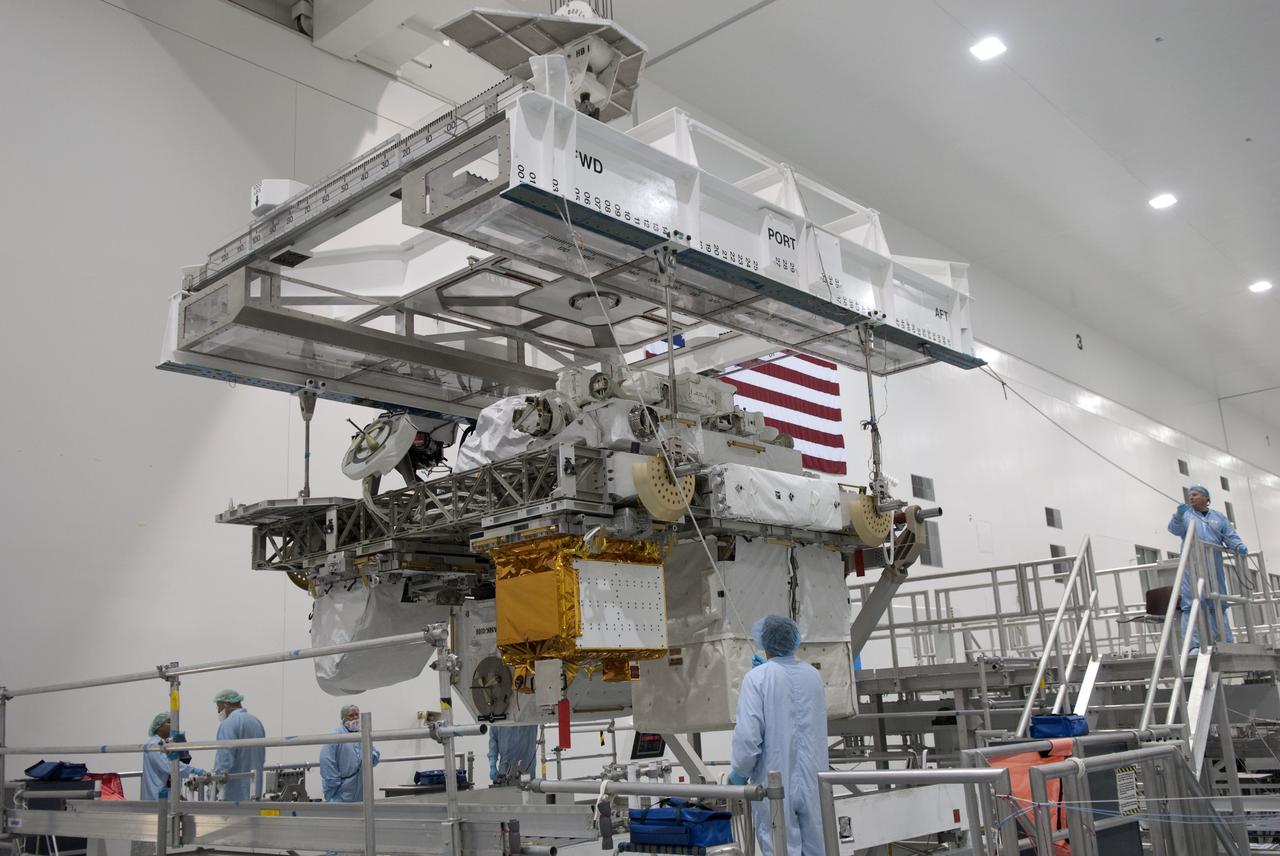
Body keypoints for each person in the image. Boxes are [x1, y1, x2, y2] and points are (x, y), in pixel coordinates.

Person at [729, 615, 828, 856]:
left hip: (775, 780)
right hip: (814, 779)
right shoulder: (812, 675)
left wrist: (739, 774)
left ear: (764, 642)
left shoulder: (757, 678)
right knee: (818, 846)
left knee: (780, 847)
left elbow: (748, 736)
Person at [1168, 484, 1249, 650]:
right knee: (1192, 604)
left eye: (1196, 494)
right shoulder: (1187, 516)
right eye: (1190, 495)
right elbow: (1174, 529)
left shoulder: (1218, 517)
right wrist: (1177, 515)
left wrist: (1238, 546)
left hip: (1214, 566)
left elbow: (1229, 536)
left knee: (1218, 601)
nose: (1191, 497)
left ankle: (1224, 641)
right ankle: (1193, 646)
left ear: (1206, 498)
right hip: (1192, 566)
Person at [211, 689, 266, 801]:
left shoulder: (228, 724)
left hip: (235, 795)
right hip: (255, 790)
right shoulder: (256, 721)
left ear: (226, 704)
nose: (218, 712)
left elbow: (224, 760)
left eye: (218, 707)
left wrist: (212, 787)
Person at [319, 704, 380, 802]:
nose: (355, 718)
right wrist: (334, 783)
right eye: (351, 715)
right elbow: (326, 760)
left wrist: (372, 757)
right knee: (342, 814)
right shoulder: (336, 736)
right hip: (341, 791)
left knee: (361, 814)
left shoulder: (362, 735)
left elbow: (374, 754)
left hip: (361, 790)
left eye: (357, 715)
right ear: (343, 718)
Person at [141, 712, 205, 800]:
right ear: (158, 726)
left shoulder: (165, 743)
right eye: (168, 722)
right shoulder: (153, 745)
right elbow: (170, 767)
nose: (172, 725)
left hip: (166, 796)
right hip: (156, 797)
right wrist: (194, 771)